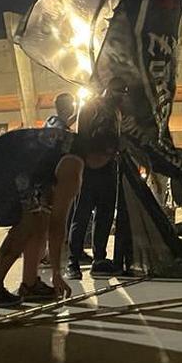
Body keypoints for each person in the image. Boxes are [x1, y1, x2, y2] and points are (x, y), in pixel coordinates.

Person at [0, 76, 129, 306]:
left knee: (39, 222)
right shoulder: (73, 164)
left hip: (10, 161)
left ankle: (30, 283)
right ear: (102, 153)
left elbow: (50, 223)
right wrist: (57, 272)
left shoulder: (75, 147)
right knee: (26, 226)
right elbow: (59, 224)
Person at [64, 80, 127, 279]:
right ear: (108, 89)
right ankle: (73, 261)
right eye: (118, 91)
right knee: (81, 216)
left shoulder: (117, 111)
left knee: (105, 216)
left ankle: (99, 258)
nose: (121, 95)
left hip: (109, 168)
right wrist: (88, 162)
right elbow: (81, 137)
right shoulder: (90, 106)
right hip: (89, 168)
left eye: (123, 92)